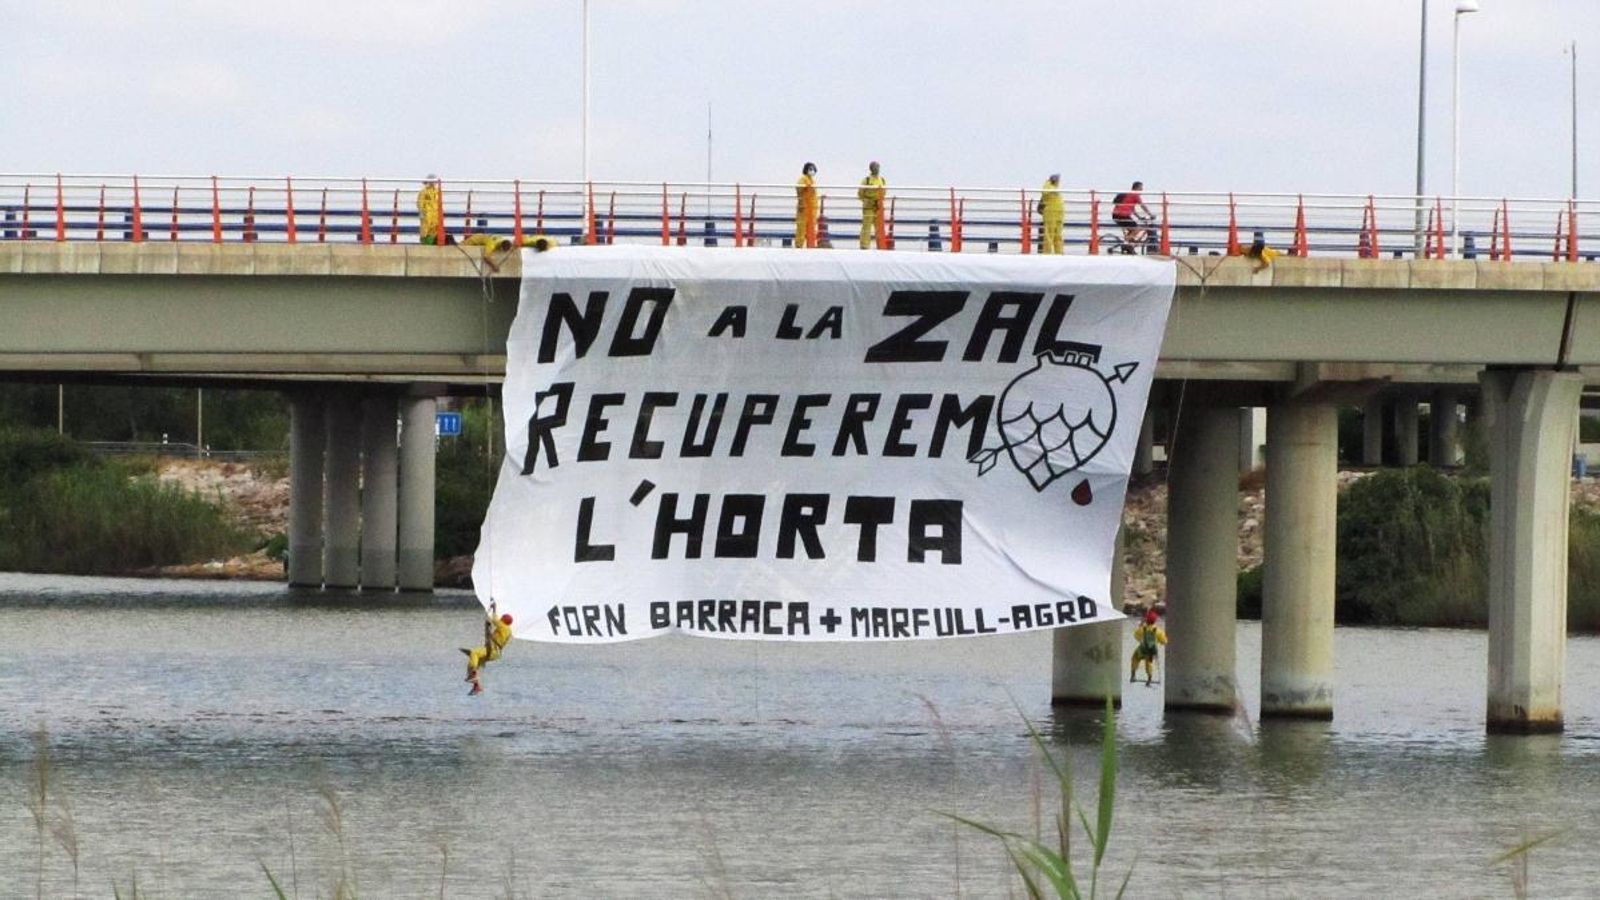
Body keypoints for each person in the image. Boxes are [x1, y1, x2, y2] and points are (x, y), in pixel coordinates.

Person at [463, 601, 514, 695]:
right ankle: (476, 686)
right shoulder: (508, 630)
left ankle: (473, 674)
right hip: (496, 653)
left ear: (503, 620)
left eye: (501, 619)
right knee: (476, 661)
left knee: (474, 653)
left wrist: (494, 608)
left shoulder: (503, 626)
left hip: (492, 650)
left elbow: (494, 620)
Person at [1112, 181, 1154, 254]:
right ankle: (1125, 244)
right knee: (1137, 229)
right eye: (1141, 188)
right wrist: (1151, 214)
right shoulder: (1135, 195)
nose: (1142, 189)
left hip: (1117, 215)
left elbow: (1132, 209)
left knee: (1132, 231)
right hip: (1122, 215)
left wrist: (1139, 217)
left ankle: (1129, 247)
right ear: (1137, 188)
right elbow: (1142, 205)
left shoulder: (1129, 194)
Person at [1129, 608, 1166, 685]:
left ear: (1147, 620)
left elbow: (1136, 636)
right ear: (1154, 621)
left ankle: (1133, 675)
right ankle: (1149, 679)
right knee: (1149, 664)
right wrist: (1159, 641)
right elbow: (1164, 641)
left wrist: (1140, 626)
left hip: (1142, 649)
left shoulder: (1143, 628)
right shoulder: (1158, 630)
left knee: (1135, 659)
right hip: (1151, 651)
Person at [857, 161, 886, 249]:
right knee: (866, 226)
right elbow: (860, 193)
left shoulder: (882, 180)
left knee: (879, 227)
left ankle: (880, 245)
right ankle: (864, 245)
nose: (876, 169)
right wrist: (866, 200)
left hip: (878, 207)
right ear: (871, 169)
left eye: (877, 167)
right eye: (874, 167)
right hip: (868, 206)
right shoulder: (866, 180)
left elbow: (884, 193)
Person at [795, 162, 819, 248]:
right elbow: (798, 189)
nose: (812, 171)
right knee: (801, 227)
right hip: (804, 207)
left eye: (813, 169)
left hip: (812, 208)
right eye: (810, 169)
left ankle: (810, 245)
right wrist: (801, 203)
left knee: (811, 228)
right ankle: (799, 245)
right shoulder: (803, 179)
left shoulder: (812, 180)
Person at [1038, 173, 1064, 254]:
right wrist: (1050, 183)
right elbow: (1045, 192)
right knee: (1049, 234)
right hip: (1050, 213)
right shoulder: (1048, 186)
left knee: (1058, 235)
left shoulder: (1055, 188)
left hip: (1058, 213)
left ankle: (1059, 252)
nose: (1058, 181)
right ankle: (1047, 253)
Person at [416, 174, 444, 245]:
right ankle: (425, 243)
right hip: (427, 214)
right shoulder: (423, 192)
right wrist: (421, 212)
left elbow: (439, 203)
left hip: (435, 214)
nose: (433, 183)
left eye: (434, 181)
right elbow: (420, 202)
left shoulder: (437, 191)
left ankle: (432, 243)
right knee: (425, 230)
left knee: (434, 230)